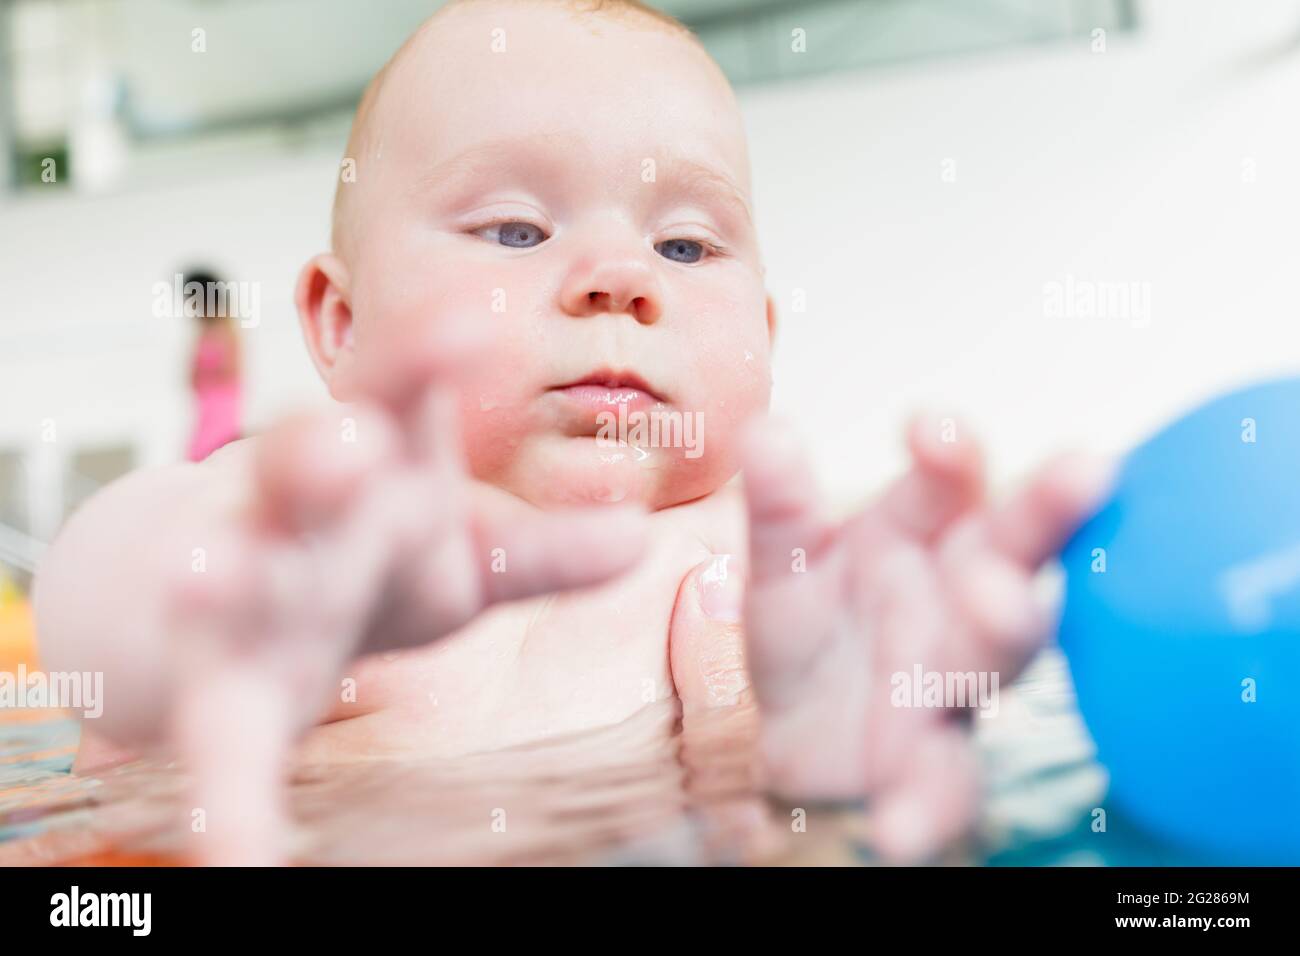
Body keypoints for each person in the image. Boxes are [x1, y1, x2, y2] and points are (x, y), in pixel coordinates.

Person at [33, 0, 1108, 865]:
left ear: (765, 336)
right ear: (342, 322)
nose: (620, 278)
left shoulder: (767, 572)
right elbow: (103, 600)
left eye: (686, 246)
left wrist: (843, 769)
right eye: (515, 228)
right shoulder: (321, 539)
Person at [183, 270, 243, 462]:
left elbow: (231, 371)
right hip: (204, 407)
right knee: (198, 454)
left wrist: (206, 372)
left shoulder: (227, 330)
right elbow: (190, 378)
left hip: (222, 406)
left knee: (214, 451)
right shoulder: (202, 333)